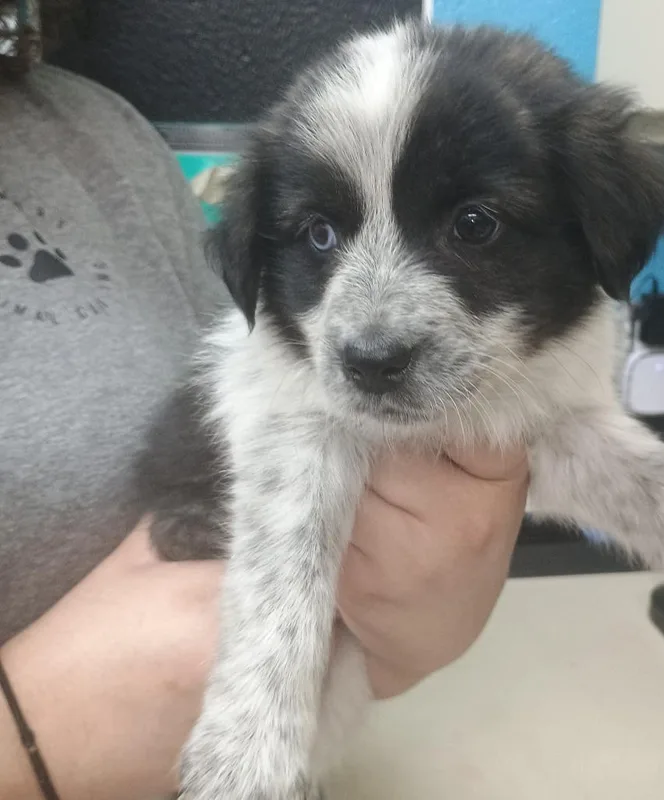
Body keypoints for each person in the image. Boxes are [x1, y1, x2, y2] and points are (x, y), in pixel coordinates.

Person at [0, 2, 529, 798]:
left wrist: (401, 630)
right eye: (321, 235)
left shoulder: (97, 127)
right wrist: (41, 733)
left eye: (474, 225)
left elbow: (247, 383)